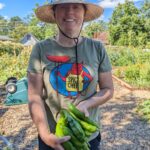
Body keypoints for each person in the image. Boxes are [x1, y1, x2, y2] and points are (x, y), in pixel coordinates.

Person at [27, 0, 114, 149]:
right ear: (54, 13)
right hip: (53, 136)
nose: (70, 12)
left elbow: (108, 89)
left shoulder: (97, 48)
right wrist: (45, 135)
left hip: (86, 136)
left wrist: (87, 103)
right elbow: (34, 96)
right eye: (63, 7)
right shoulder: (40, 49)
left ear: (84, 13)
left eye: (76, 7)